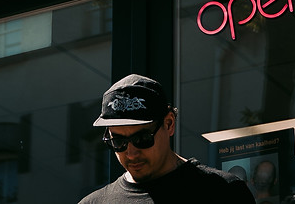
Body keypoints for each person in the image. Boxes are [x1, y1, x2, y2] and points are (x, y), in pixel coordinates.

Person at [79, 74, 256, 203]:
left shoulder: (222, 192)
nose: (131, 153)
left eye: (142, 139)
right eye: (118, 142)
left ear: (169, 123)